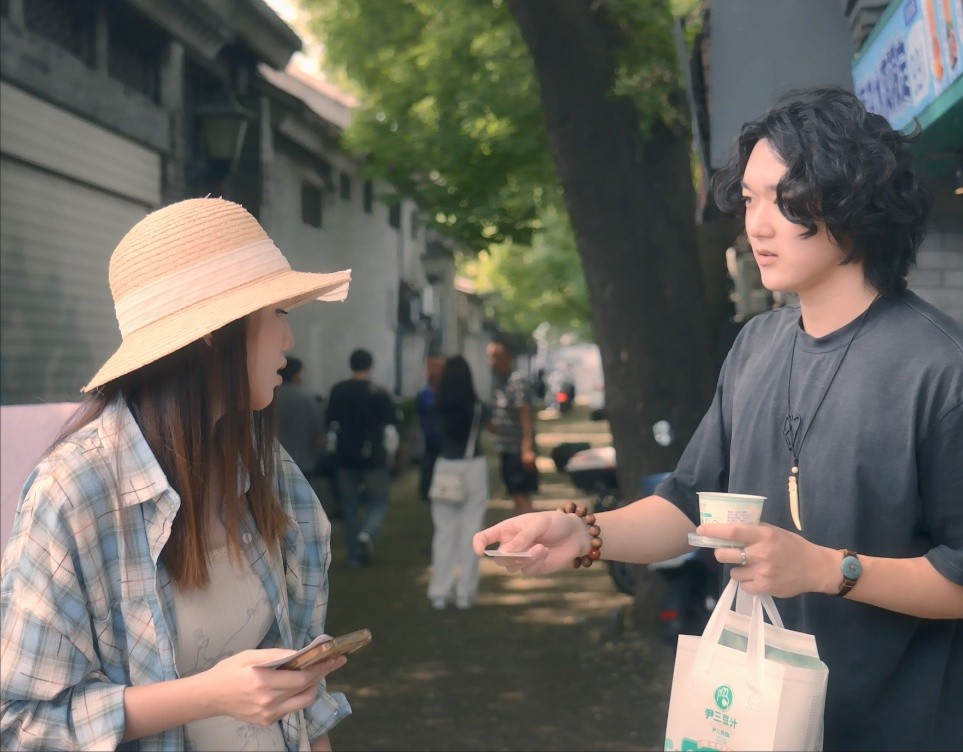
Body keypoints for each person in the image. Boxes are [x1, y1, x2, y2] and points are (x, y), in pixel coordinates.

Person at [473, 86, 963, 751]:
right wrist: (584, 534)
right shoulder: (757, 344)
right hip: (757, 722)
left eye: (785, 199)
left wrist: (826, 570)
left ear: (855, 199)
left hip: (897, 728)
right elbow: (687, 506)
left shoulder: (939, 369)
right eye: (750, 200)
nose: (756, 225)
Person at [0, 197, 354, 751]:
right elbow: (21, 721)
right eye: (277, 313)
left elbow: (306, 700)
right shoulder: (76, 490)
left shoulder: (266, 467)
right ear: (214, 332)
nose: (289, 338)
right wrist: (207, 696)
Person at [427, 356, 492, 610]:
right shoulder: (478, 407)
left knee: (444, 532)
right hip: (473, 466)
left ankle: (439, 592)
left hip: (446, 467)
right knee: (472, 531)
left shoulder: (437, 405)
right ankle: (465, 592)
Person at [324, 348, 399, 568]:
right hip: (373, 457)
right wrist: (390, 455)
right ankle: (367, 533)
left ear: (351, 365)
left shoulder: (339, 390)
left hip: (345, 457)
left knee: (349, 506)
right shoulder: (379, 391)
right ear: (370, 365)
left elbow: (329, 423)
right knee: (379, 501)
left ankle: (353, 556)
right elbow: (390, 427)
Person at [486, 336, 538, 515]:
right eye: (490, 357)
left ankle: (533, 529)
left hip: (517, 449)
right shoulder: (499, 381)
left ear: (508, 357)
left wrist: (527, 449)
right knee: (515, 494)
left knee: (520, 494)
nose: (492, 362)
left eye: (496, 357)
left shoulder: (517, 381)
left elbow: (526, 416)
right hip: (506, 448)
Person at [275, 355, 324, 478]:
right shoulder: (308, 399)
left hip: (273, 466)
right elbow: (318, 435)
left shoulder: (268, 399)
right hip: (304, 465)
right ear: (297, 375)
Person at [415, 352, 446, 502]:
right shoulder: (424, 394)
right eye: (430, 367)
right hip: (430, 445)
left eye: (438, 366)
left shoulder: (452, 394)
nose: (434, 371)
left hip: (449, 447)